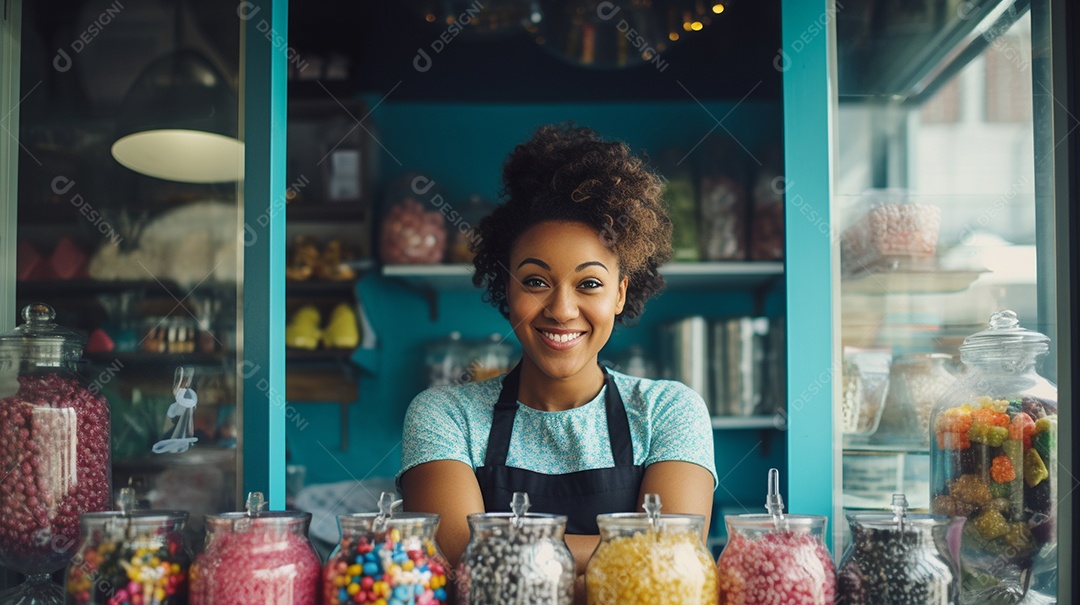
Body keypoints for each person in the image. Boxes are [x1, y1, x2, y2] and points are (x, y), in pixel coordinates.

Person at [398, 124, 717, 592]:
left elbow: (670, 559)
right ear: (506, 290)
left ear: (620, 294)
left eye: (589, 284)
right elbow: (465, 562)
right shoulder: (444, 416)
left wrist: (514, 555)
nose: (562, 310)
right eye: (535, 281)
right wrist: (620, 557)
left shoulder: (670, 411)